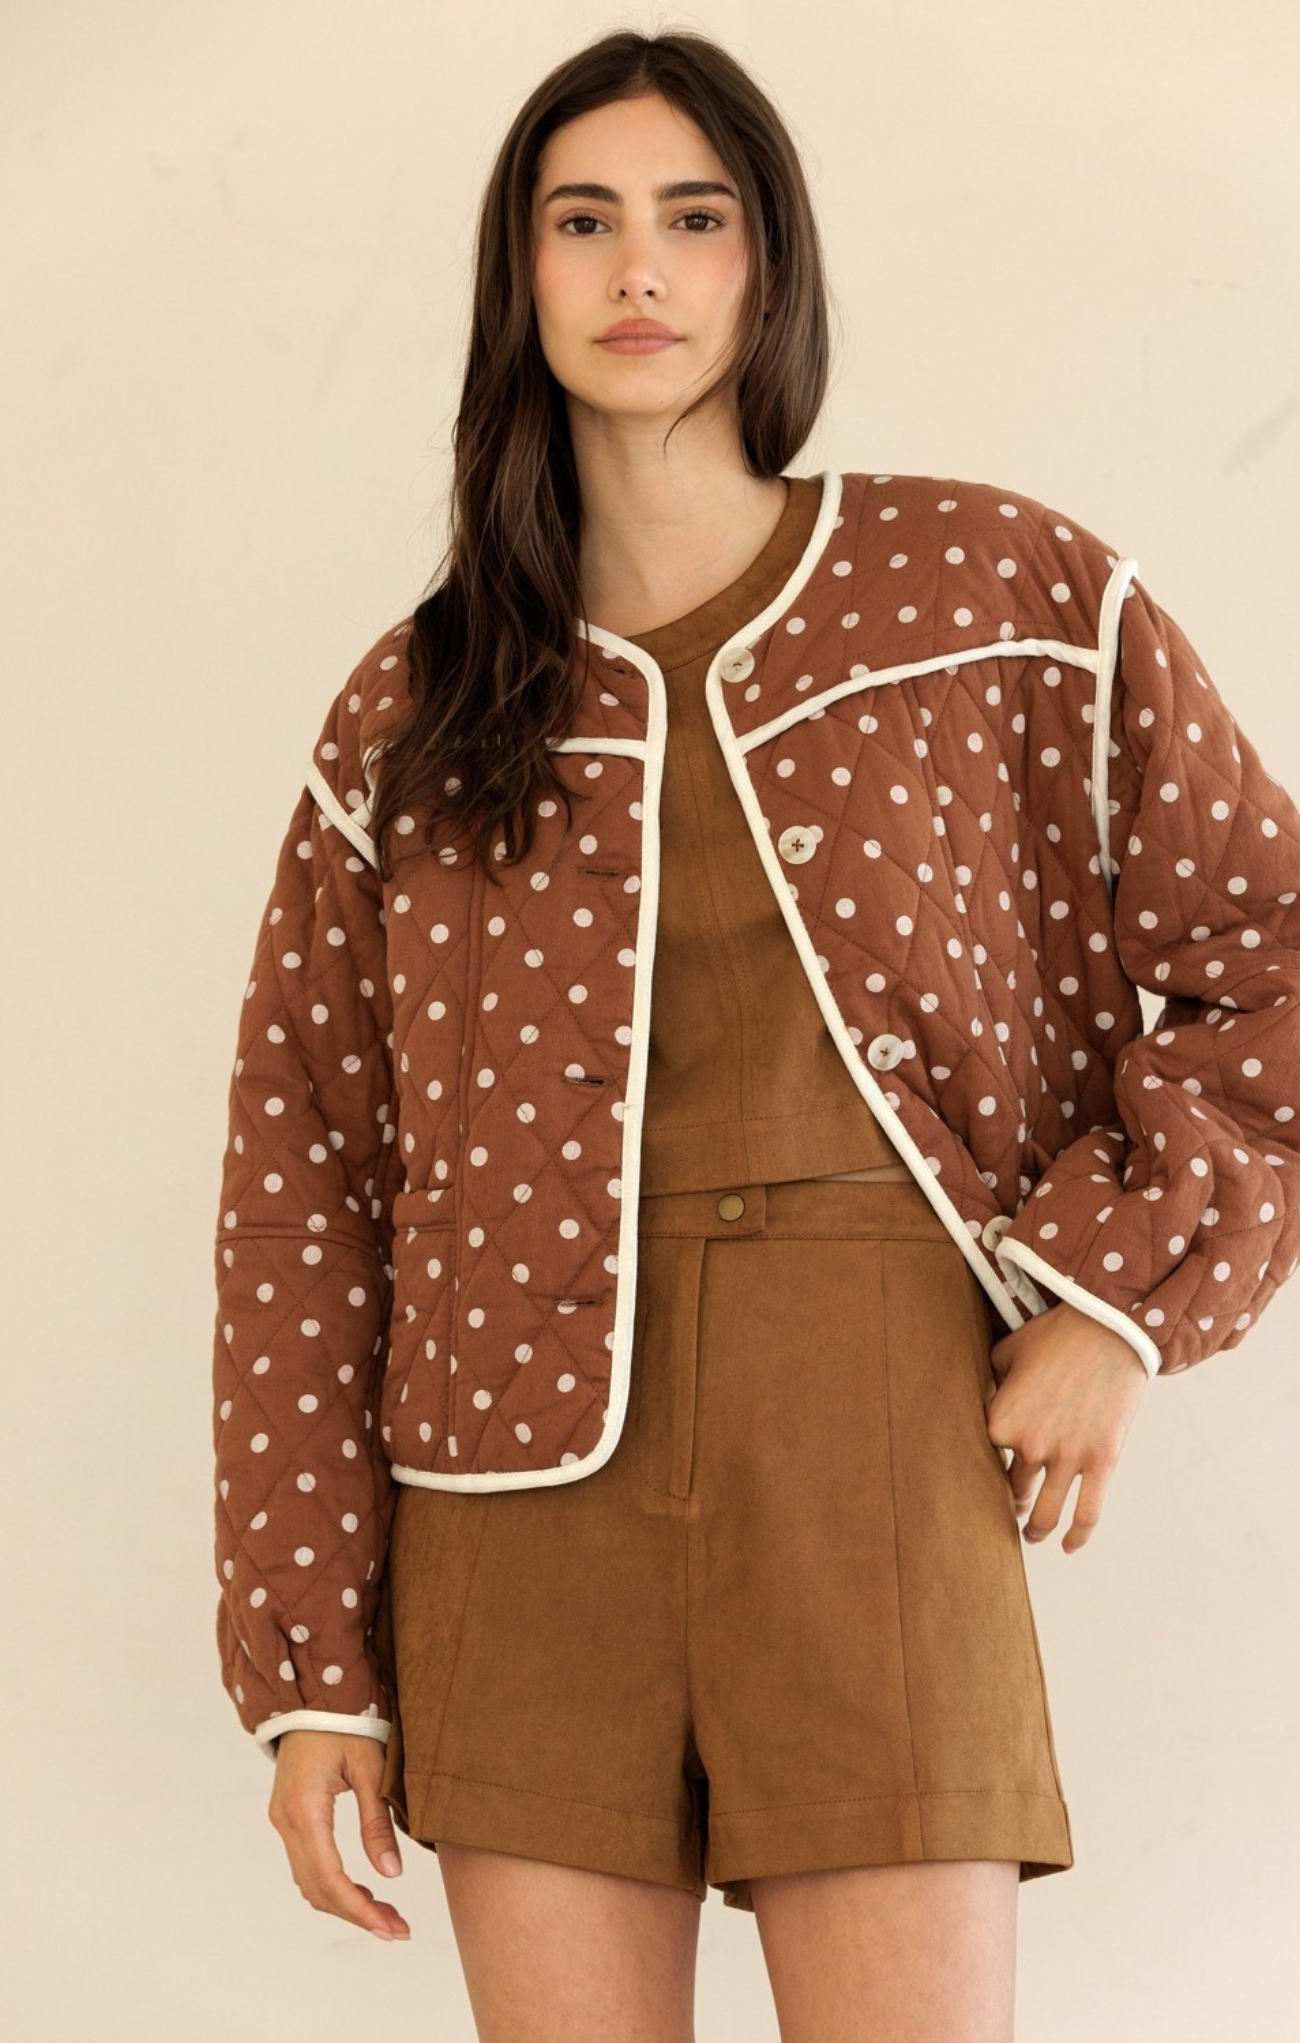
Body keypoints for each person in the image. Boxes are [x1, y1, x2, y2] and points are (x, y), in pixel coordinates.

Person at [210, 28, 1300, 2041]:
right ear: (517, 280)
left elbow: (1272, 948)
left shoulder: (987, 588)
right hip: (506, 1497)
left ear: (764, 272)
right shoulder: (417, 709)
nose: (639, 269)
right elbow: (304, 1185)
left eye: (692, 222)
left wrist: (1115, 1295)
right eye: (583, 221)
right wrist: (309, 1670)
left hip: (870, 1437)